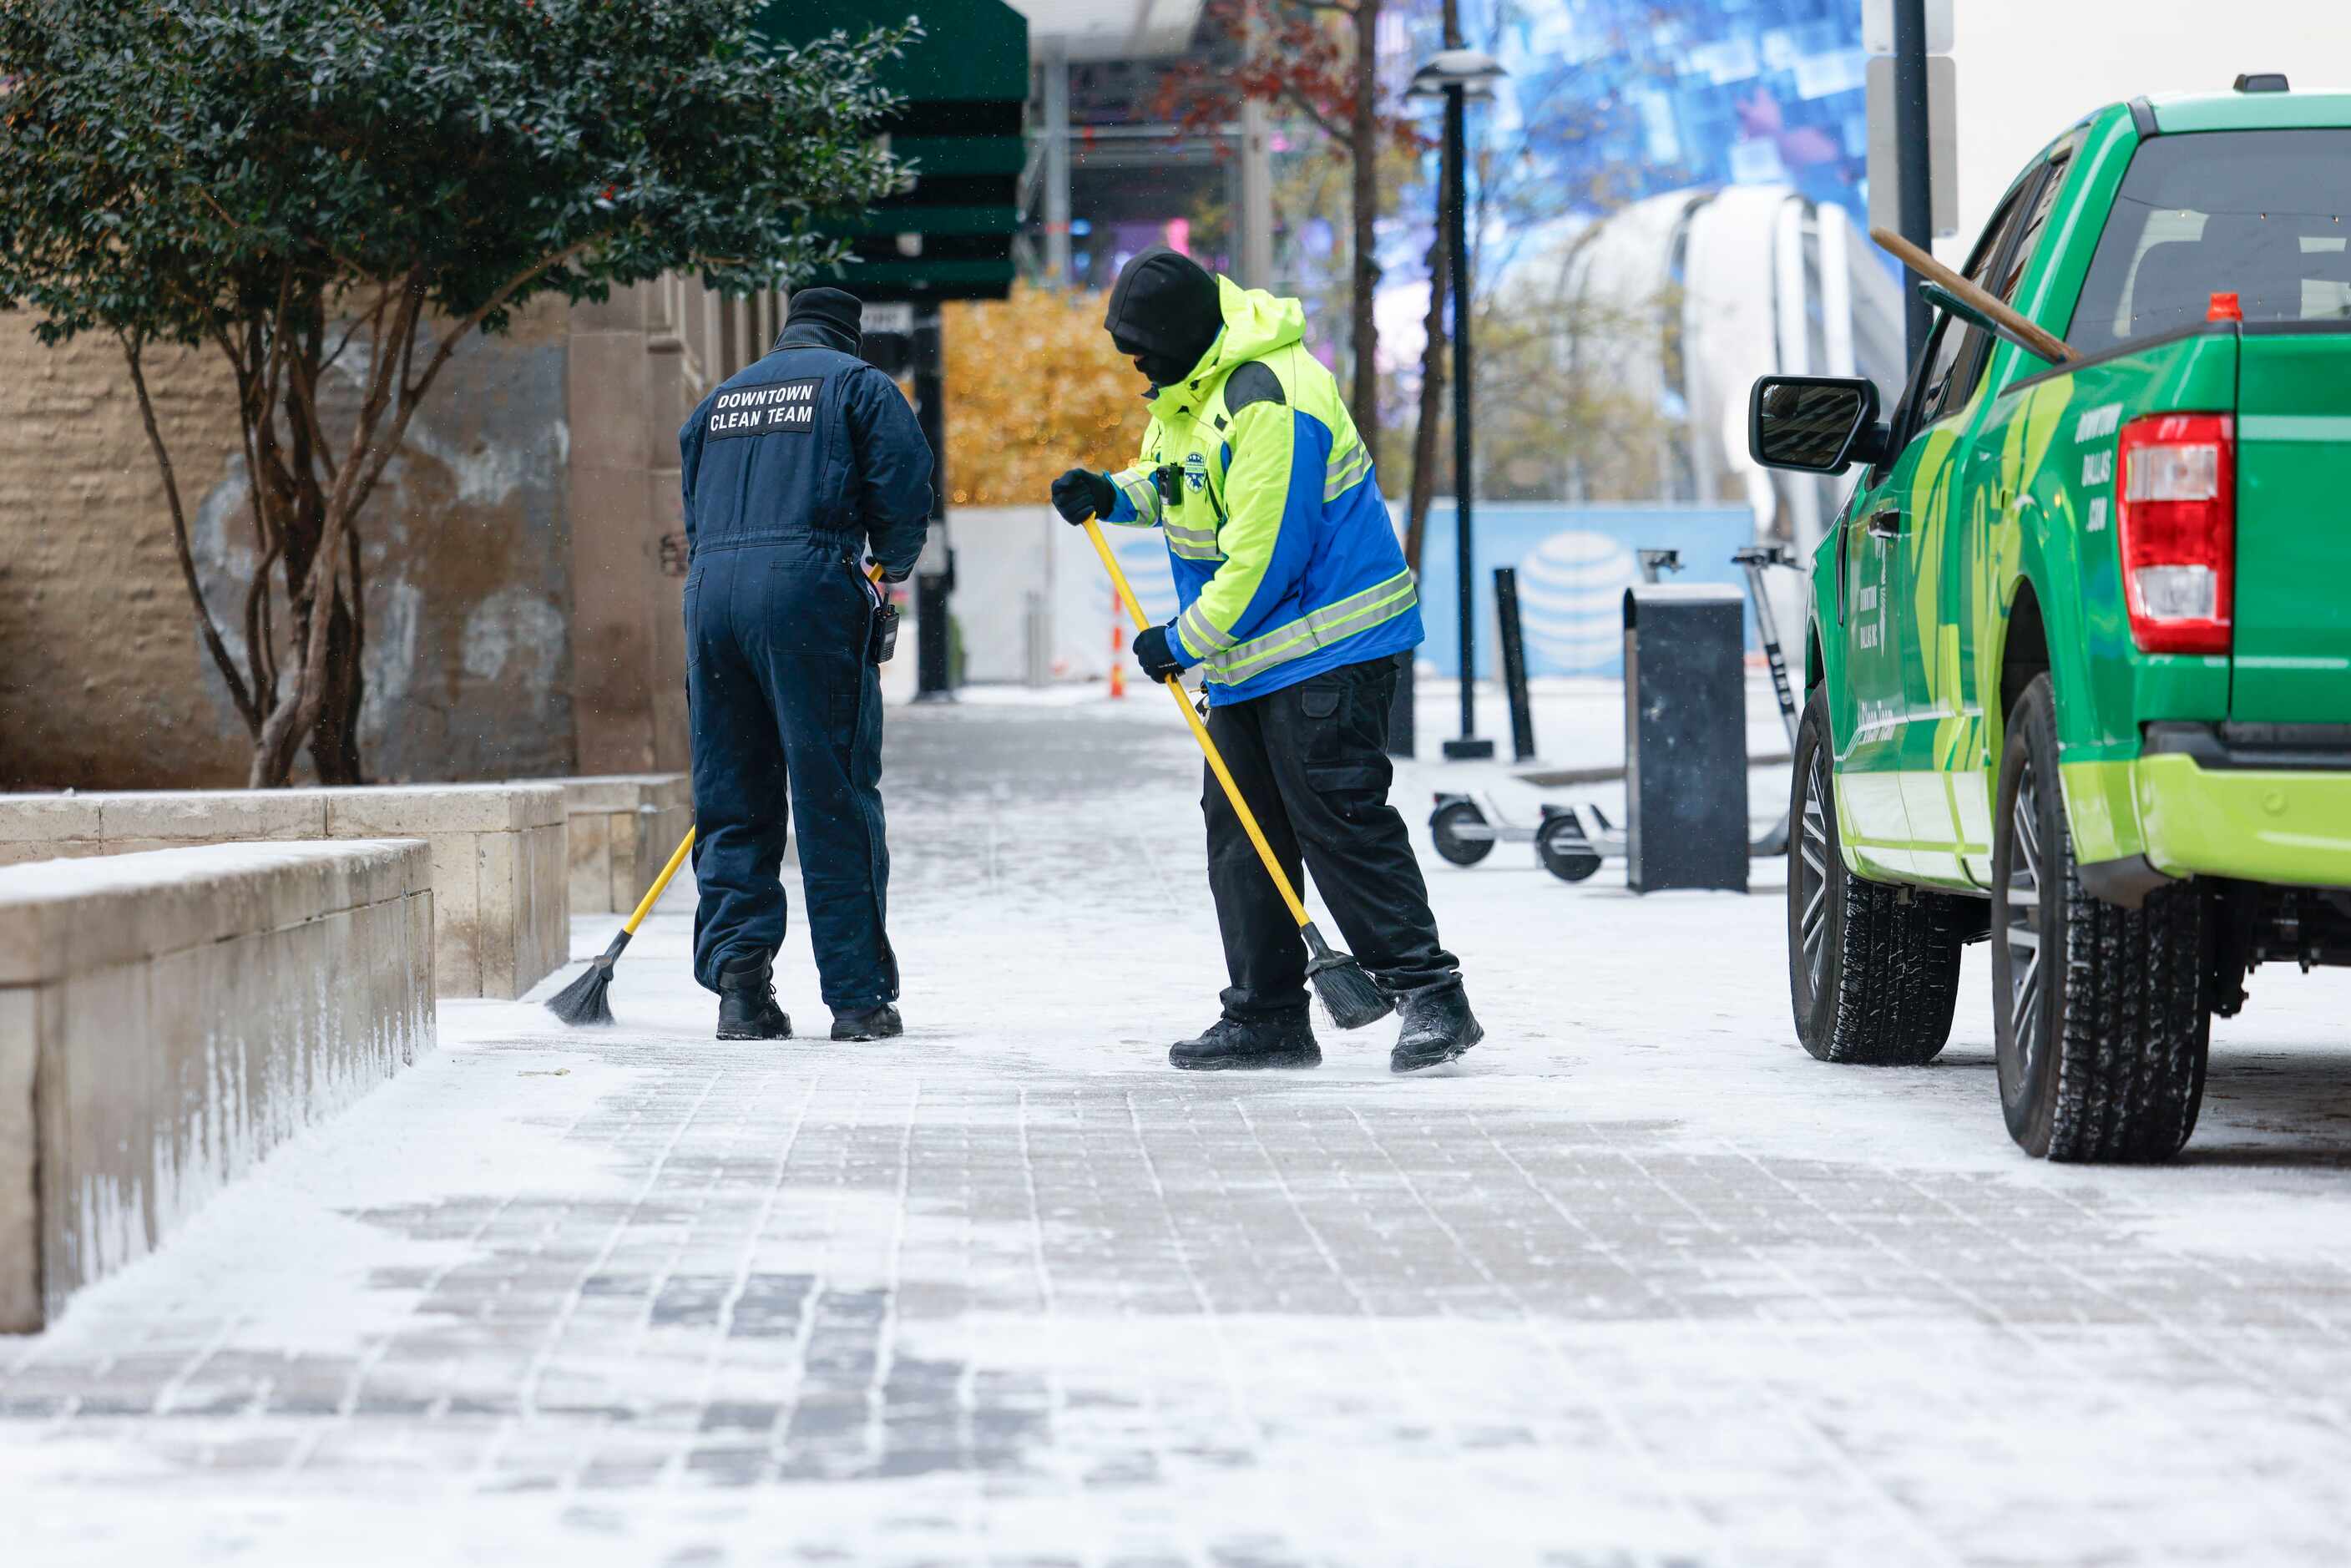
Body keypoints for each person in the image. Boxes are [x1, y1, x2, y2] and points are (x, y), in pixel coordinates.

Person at [1050, 248, 1481, 1074]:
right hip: (1252, 661)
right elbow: (1178, 483)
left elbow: (1264, 555)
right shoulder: (1193, 391)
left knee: (1337, 820)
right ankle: (1268, 1014)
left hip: (1328, 646)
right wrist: (1114, 494)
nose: (1136, 363)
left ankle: (1431, 996)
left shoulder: (1269, 396)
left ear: (1182, 334)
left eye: (1142, 346)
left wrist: (1180, 642)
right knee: (1240, 830)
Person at [678, 286, 930, 1042]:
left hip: (711, 595)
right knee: (833, 794)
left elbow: (695, 507)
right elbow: (902, 488)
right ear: (849, 334)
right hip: (807, 590)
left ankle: (741, 992)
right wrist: (889, 565)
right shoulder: (857, 385)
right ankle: (855, 999)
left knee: (732, 794)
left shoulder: (719, 399)